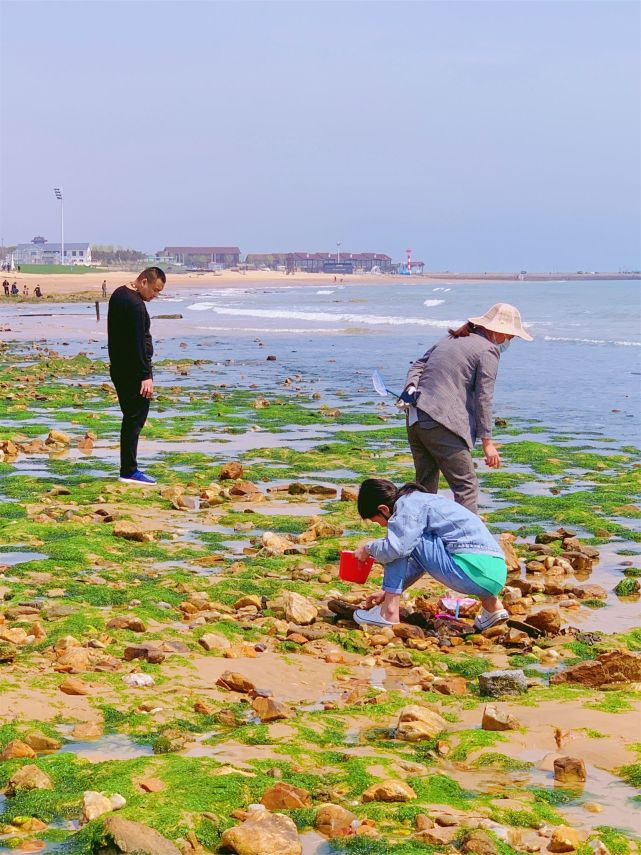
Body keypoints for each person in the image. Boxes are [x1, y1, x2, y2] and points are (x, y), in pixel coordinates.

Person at [399, 303, 532, 515]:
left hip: (415, 417)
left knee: (424, 487)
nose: (511, 340)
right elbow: (484, 397)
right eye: (511, 335)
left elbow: (417, 365)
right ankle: (468, 543)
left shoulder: (452, 338)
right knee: (466, 487)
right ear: (497, 330)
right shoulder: (488, 350)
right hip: (442, 422)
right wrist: (488, 443)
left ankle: (420, 539)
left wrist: (411, 387)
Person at [352, 478, 508, 631]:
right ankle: (493, 608)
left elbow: (398, 549)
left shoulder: (406, 509)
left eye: (376, 521)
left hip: (470, 572)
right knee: (406, 540)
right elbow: (422, 561)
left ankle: (388, 613)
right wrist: (387, 593)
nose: (381, 525)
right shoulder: (422, 500)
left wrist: (368, 548)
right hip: (495, 573)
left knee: (396, 543)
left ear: (383, 509)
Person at [107, 267, 166, 484]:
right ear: (143, 282)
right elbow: (138, 344)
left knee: (130, 417)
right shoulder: (136, 305)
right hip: (133, 372)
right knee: (135, 418)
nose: (155, 295)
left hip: (119, 367)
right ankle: (129, 470)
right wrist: (146, 375)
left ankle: (128, 468)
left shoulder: (119, 294)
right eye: (155, 290)